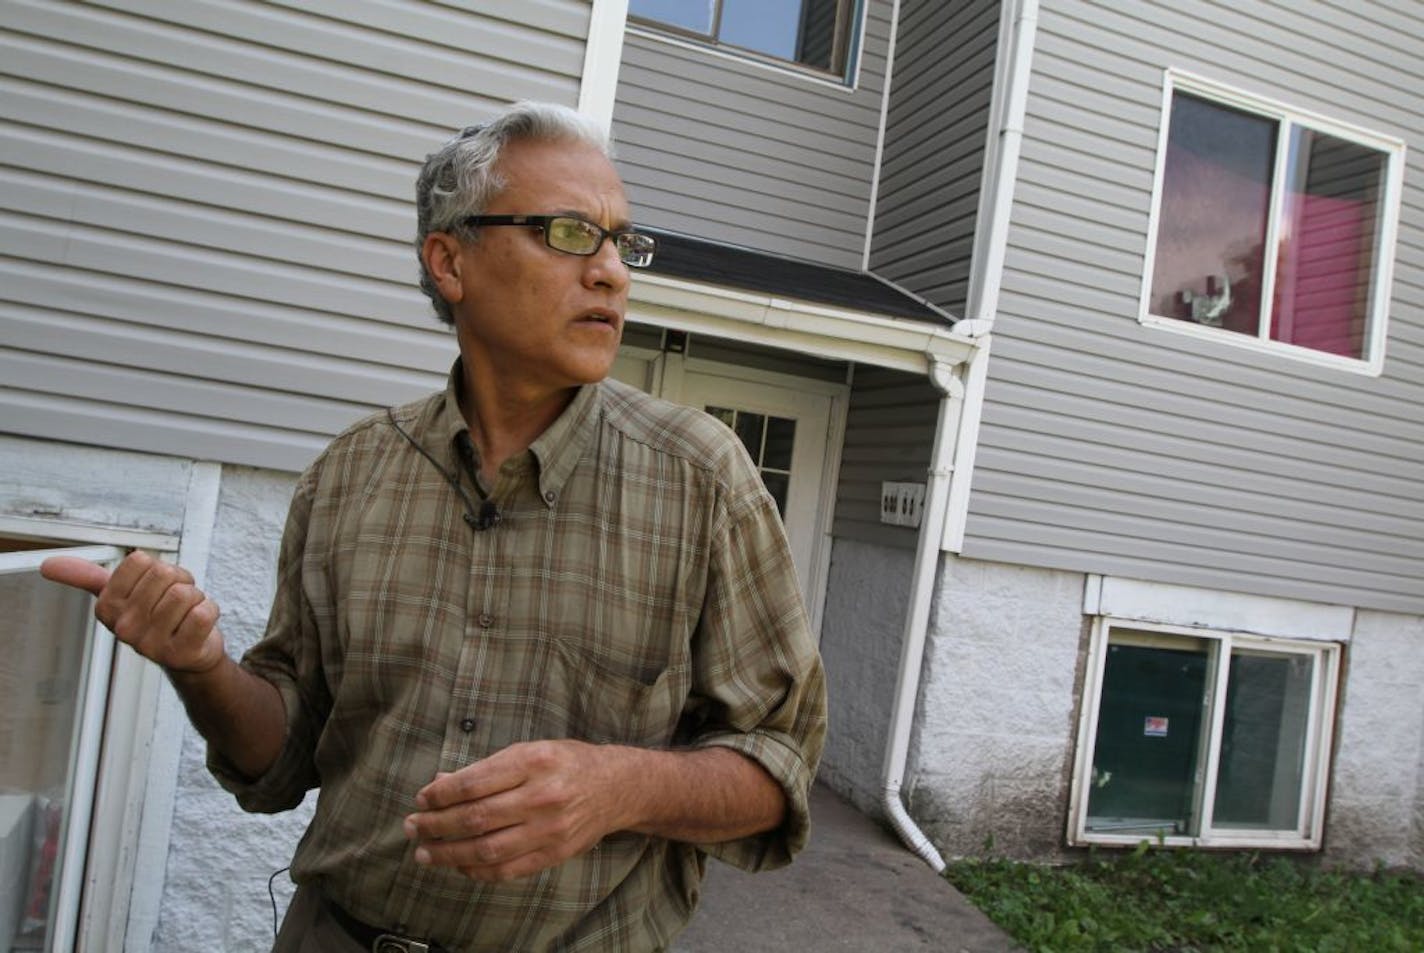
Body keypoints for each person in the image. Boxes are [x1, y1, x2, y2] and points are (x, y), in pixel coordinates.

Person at [41, 101, 826, 952]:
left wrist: (617, 785)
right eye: (569, 232)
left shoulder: (702, 480)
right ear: (450, 262)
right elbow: (280, 756)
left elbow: (777, 765)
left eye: (621, 241)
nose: (611, 272)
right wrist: (200, 667)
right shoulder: (350, 474)